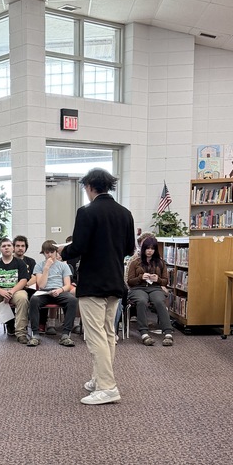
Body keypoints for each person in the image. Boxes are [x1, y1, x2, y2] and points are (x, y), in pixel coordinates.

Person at [61, 168, 136, 405]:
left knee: (95, 337)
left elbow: (78, 247)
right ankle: (99, 378)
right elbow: (129, 249)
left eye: (85, 187)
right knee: (108, 334)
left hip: (93, 282)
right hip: (115, 281)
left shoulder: (86, 212)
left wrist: (64, 251)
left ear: (90, 186)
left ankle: (107, 387)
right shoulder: (125, 213)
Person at [25, 240, 78, 346]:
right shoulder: (39, 266)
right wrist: (46, 268)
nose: (49, 255)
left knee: (72, 300)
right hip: (44, 292)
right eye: (46, 252)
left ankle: (66, 335)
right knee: (34, 299)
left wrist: (59, 290)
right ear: (43, 253)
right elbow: (41, 285)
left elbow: (67, 285)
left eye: (51, 252)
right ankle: (35, 335)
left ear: (56, 252)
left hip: (59, 290)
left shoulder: (63, 266)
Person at [126, 236, 174, 346]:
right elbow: (130, 281)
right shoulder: (135, 262)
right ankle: (144, 333)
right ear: (143, 249)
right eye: (147, 248)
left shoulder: (160, 263)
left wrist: (158, 279)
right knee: (141, 301)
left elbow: (165, 281)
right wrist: (140, 277)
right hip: (138, 288)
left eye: (152, 249)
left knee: (158, 301)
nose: (149, 251)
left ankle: (168, 333)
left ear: (155, 250)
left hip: (155, 288)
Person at [7, 235, 37, 336]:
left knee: (38, 296)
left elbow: (35, 276)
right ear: (13, 247)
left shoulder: (31, 261)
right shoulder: (8, 260)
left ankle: (34, 325)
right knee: (8, 295)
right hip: (11, 288)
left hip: (28, 288)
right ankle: (10, 325)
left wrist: (26, 284)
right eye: (18, 246)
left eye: (23, 246)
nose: (20, 248)